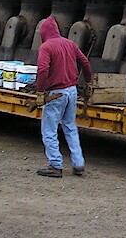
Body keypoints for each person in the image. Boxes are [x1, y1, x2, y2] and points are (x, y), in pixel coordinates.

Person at [35, 16, 93, 178]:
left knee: (49, 130)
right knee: (70, 127)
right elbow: (85, 63)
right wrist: (88, 82)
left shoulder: (46, 47)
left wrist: (40, 92)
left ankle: (55, 165)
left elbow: (43, 71)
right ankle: (78, 163)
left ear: (43, 32)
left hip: (55, 94)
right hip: (72, 91)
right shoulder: (70, 44)